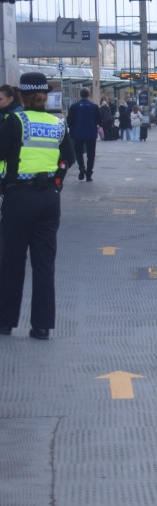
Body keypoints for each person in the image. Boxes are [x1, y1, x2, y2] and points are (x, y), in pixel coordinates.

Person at [0, 73, 75, 340]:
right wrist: (56, 181)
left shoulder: (15, 121)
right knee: (44, 264)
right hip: (49, 200)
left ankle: (6, 322)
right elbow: (69, 158)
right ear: (45, 94)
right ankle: (42, 326)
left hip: (19, 197)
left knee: (12, 261)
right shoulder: (58, 124)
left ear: (21, 95)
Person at [66, 87, 99, 181]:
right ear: (88, 95)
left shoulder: (74, 106)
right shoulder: (94, 106)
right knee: (91, 154)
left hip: (78, 133)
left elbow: (69, 120)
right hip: (91, 133)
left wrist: (73, 129)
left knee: (78, 152)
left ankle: (81, 167)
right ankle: (89, 174)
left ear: (80, 95)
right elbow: (99, 120)